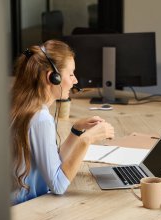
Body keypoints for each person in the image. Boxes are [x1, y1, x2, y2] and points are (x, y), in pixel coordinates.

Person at [10, 40, 114, 205]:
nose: (75, 81)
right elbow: (58, 185)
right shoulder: (41, 119)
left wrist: (76, 131)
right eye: (71, 74)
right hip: (25, 210)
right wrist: (87, 140)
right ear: (53, 77)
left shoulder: (25, 107)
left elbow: (52, 165)